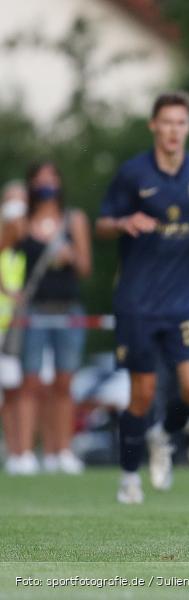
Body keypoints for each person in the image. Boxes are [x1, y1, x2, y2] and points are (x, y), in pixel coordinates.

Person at [96, 91, 189, 504]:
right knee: (142, 394)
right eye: (166, 122)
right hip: (138, 302)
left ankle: (164, 437)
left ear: (188, 127)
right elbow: (101, 225)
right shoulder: (133, 173)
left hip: (185, 299)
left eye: (180, 123)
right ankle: (129, 475)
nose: (173, 130)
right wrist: (123, 221)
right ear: (154, 125)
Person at [0, 163, 92, 475]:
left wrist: (71, 256)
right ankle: (24, 453)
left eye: (51, 179)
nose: (46, 186)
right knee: (30, 382)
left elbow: (86, 268)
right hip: (34, 310)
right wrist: (9, 290)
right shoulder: (21, 223)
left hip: (68, 309)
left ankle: (60, 451)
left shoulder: (73, 219)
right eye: (40, 181)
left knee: (64, 382)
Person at [1, 181, 29, 474]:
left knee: (20, 389)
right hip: (4, 325)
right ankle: (14, 451)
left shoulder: (28, 245)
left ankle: (23, 452)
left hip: (19, 326)